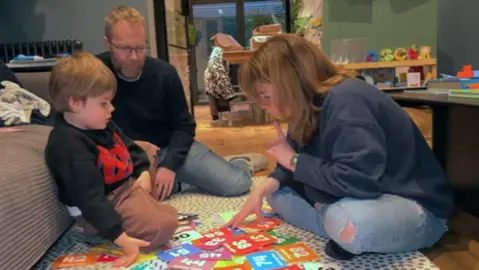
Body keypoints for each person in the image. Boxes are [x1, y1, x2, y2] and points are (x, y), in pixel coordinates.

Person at [227, 34, 454, 260]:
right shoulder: (306, 108)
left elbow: (359, 181)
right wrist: (264, 187)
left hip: (411, 204)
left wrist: (294, 161)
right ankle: (329, 217)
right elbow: (293, 165)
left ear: (291, 85)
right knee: (276, 195)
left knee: (345, 221)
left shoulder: (347, 100)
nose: (265, 108)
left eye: (266, 97)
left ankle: (330, 218)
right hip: (356, 195)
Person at [97, 5, 252, 201]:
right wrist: (137, 149)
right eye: (125, 49)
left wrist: (169, 165)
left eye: (140, 47)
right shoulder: (95, 74)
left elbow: (184, 126)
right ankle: (181, 183)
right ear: (108, 44)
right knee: (124, 199)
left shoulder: (164, 73)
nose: (134, 56)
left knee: (236, 184)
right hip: (125, 155)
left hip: (169, 148)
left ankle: (240, 162)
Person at [44, 52, 178, 268]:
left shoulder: (101, 125)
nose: (111, 109)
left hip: (125, 186)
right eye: (104, 104)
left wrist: (142, 172)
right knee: (165, 225)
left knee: (148, 150)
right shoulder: (68, 145)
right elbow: (91, 200)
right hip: (106, 204)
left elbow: (131, 148)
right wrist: (122, 239)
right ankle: (128, 217)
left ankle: (144, 200)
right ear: (76, 103)